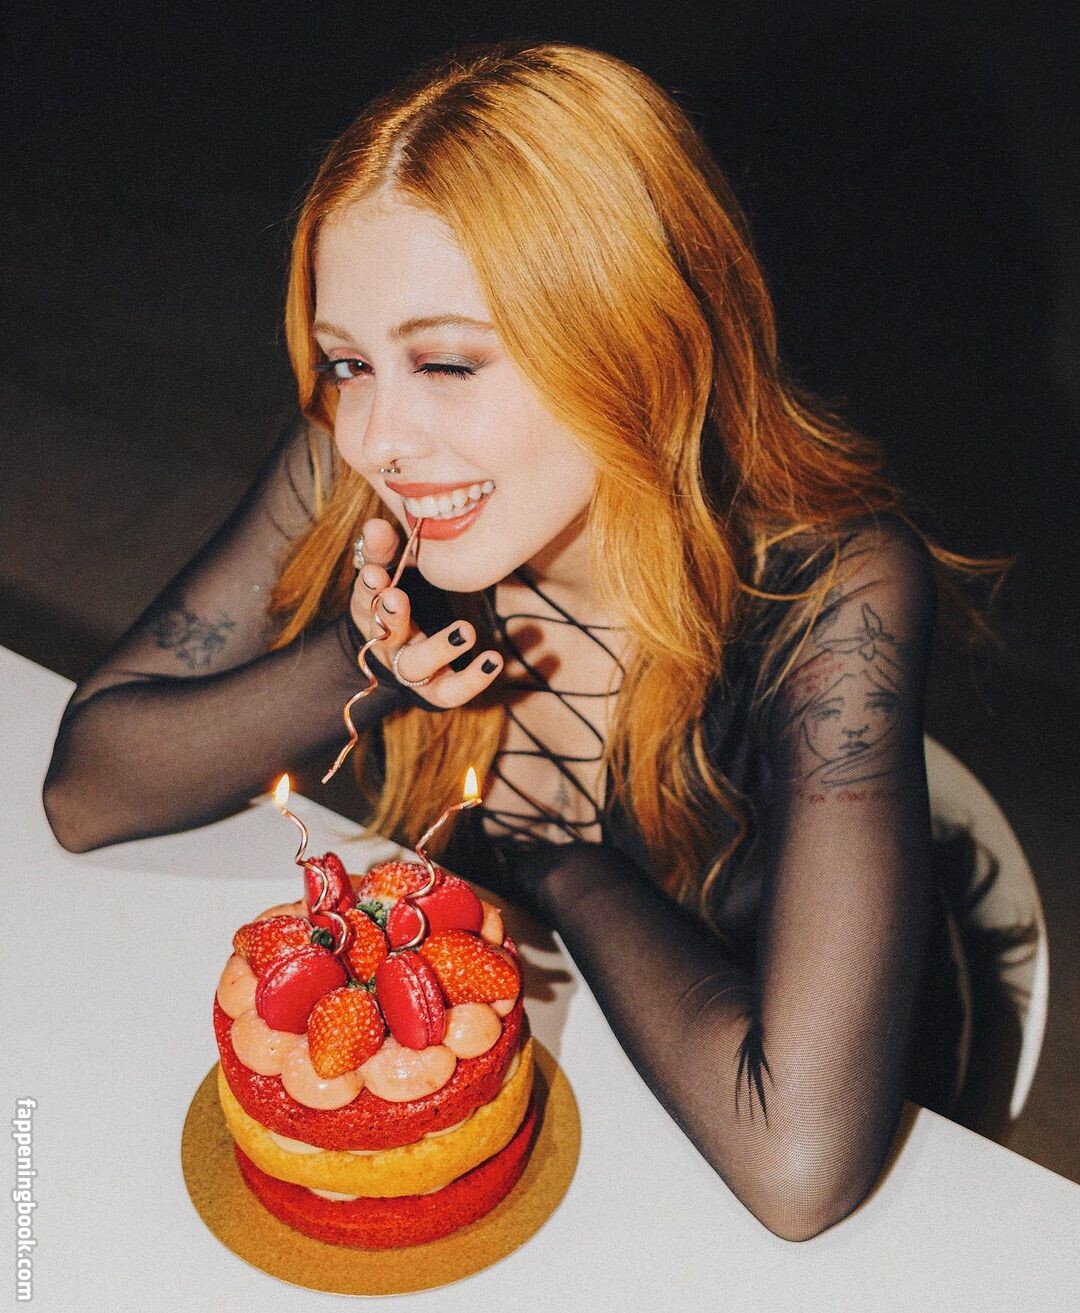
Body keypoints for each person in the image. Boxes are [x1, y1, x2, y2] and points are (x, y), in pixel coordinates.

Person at [42, 40, 994, 1241]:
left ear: (631, 335)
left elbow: (798, 1163)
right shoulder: (360, 476)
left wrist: (558, 866)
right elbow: (85, 791)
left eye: (446, 360)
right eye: (348, 362)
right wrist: (364, 663)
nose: (380, 435)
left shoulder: (831, 585)